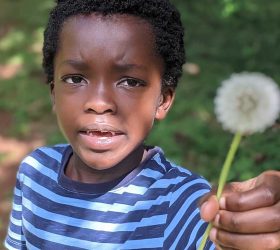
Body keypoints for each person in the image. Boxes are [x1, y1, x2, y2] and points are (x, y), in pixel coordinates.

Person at [5, 0, 280, 249]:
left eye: (130, 82)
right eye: (76, 79)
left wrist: (246, 227)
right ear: (53, 92)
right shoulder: (34, 171)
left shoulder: (180, 202)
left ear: (163, 100)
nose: (100, 103)